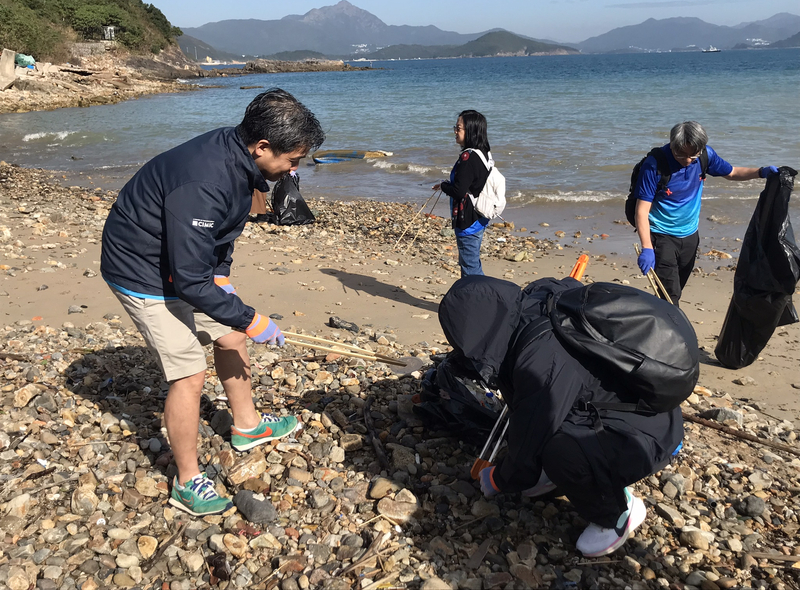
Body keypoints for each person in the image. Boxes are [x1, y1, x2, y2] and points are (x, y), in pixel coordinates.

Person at [100, 88, 325, 516]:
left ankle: (247, 426)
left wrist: (222, 277)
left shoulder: (241, 158)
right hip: (141, 269)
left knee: (232, 336)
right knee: (189, 373)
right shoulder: (205, 180)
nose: (296, 169)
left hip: (184, 263)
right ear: (262, 146)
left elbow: (222, 232)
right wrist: (252, 318)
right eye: (293, 159)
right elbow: (188, 279)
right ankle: (187, 482)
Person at [437, 275, 686, 557]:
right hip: (631, 411)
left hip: (651, 434)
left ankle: (616, 514)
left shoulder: (539, 359)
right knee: (548, 427)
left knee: (561, 453)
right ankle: (560, 474)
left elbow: (531, 434)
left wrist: (500, 478)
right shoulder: (535, 304)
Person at [634, 121, 778, 305]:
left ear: (700, 149)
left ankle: (659, 314)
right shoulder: (654, 165)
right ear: (672, 145)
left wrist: (761, 172)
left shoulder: (705, 156)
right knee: (670, 294)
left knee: (676, 289)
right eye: (681, 154)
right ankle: (670, 322)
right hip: (661, 235)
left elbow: (732, 173)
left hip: (690, 234)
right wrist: (647, 247)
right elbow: (642, 210)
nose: (687, 160)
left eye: (692, 155)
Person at [433, 110, 492, 277]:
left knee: (470, 268)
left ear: (471, 130)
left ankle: (477, 293)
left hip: (468, 220)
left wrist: (444, 186)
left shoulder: (468, 157)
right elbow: (469, 183)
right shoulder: (484, 152)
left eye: (458, 128)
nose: (455, 132)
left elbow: (458, 192)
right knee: (471, 263)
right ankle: (475, 291)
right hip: (480, 215)